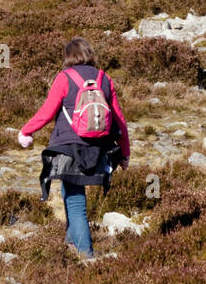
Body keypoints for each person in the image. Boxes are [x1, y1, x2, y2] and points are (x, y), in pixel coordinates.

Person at [17, 37, 129, 260]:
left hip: (69, 148)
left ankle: (87, 257)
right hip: (98, 149)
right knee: (71, 192)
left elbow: (47, 112)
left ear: (68, 57)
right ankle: (70, 242)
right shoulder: (104, 79)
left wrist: (26, 131)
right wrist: (124, 153)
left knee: (77, 203)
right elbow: (120, 120)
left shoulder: (64, 78)